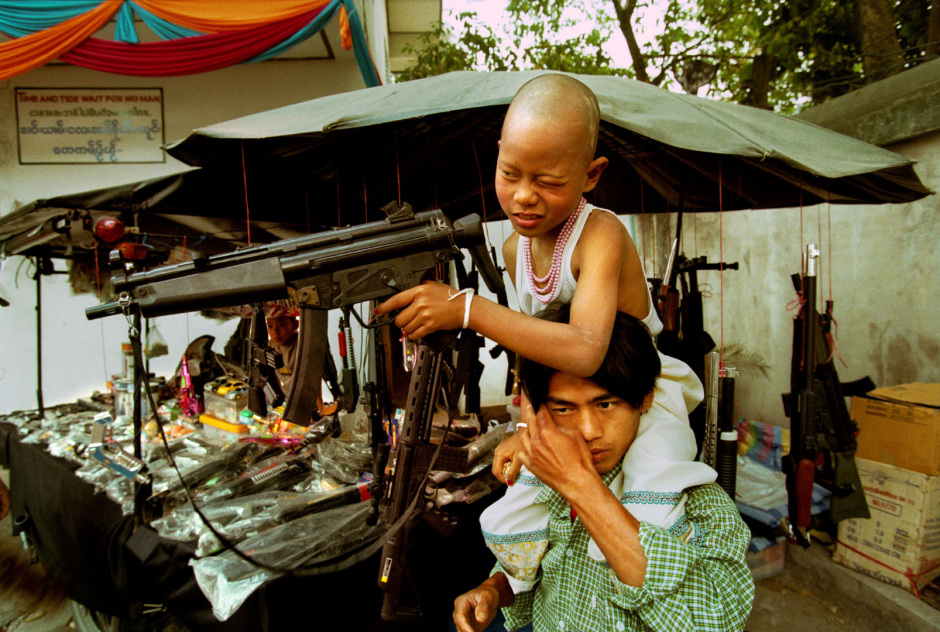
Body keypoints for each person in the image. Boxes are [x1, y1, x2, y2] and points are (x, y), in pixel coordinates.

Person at [374, 72, 710, 515]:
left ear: (592, 175)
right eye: (509, 174)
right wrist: (526, 426)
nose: (524, 196)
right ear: (497, 157)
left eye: (549, 182)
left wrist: (467, 309)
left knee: (651, 507)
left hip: (638, 401)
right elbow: (537, 352)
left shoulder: (600, 235)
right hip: (568, 407)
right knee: (515, 513)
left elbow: (586, 351)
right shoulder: (517, 250)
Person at [453, 308, 754, 632]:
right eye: (565, 408)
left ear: (645, 398)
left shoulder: (698, 505)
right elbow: (540, 568)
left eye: (605, 404)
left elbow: (717, 622)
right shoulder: (546, 486)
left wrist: (585, 491)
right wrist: (495, 590)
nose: (588, 429)